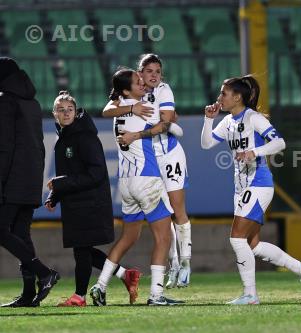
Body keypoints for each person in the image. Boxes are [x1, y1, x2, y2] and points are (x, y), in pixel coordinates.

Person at [201, 75, 301, 305]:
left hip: (259, 184)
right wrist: (208, 119)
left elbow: (279, 143)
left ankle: (250, 295)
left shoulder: (253, 118)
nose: (219, 97)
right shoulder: (228, 121)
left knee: (236, 238)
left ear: (237, 97)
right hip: (241, 188)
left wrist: (255, 152)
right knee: (252, 246)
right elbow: (206, 144)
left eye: (224, 93)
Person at [90, 68, 182, 306]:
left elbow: (107, 109)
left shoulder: (121, 111)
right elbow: (163, 125)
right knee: (163, 238)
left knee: (128, 237)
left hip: (126, 183)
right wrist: (168, 119)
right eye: (138, 82)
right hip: (146, 179)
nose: (143, 84)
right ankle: (156, 295)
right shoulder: (141, 109)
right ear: (126, 90)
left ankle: (100, 286)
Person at [103, 54, 192, 289]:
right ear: (139, 74)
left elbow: (166, 122)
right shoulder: (136, 101)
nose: (153, 75)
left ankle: (185, 263)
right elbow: (169, 124)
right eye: (148, 71)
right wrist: (138, 113)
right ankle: (164, 279)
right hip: (148, 166)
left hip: (162, 158)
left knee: (176, 211)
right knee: (163, 224)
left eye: (157, 71)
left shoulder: (159, 91)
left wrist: (136, 126)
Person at [44, 91, 141, 306]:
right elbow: (69, 174)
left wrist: (60, 185)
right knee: (84, 250)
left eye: (70, 109)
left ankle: (80, 297)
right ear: (54, 114)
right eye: (61, 110)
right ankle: (126, 275)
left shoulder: (84, 136)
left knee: (81, 251)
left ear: (76, 112)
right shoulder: (65, 137)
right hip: (77, 203)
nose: (66, 113)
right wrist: (55, 195)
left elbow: (96, 173)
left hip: (88, 203)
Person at [0, 57, 59, 307]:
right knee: (22, 235)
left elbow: (5, 146)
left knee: (2, 230)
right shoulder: (32, 103)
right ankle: (27, 294)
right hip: (32, 175)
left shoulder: (5, 101)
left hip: (12, 177)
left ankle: (44, 273)